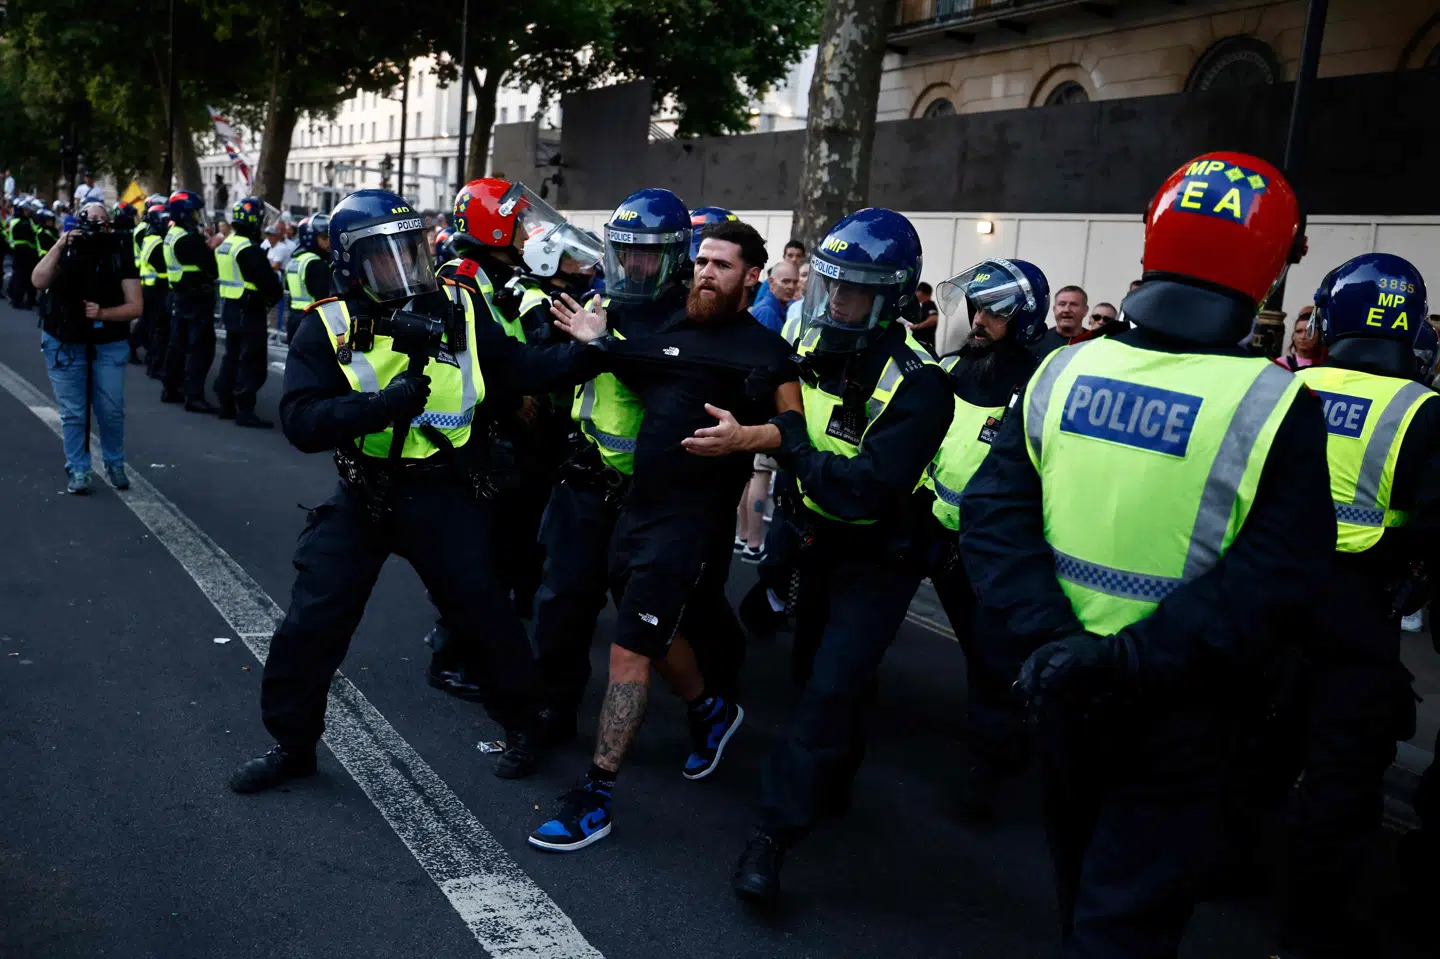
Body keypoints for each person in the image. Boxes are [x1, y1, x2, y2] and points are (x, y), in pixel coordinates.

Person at [959, 151, 1333, 957]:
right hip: (1182, 707)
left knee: (1078, 889)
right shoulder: (1275, 402)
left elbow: (991, 518)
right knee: (1124, 922)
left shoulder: (1062, 369)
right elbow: (1277, 577)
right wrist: (1124, 658)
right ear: (1271, 268)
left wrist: (1058, 641)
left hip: (1059, 683)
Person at [228, 188, 612, 794]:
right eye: (385, 256)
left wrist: (588, 353)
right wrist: (380, 407)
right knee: (311, 623)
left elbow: (514, 367)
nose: (404, 268)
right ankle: (292, 746)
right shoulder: (326, 323)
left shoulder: (459, 302)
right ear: (351, 263)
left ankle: (523, 727)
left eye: (410, 251)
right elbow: (301, 421)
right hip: (365, 494)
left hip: (443, 493)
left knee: (485, 618)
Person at [529, 216, 800, 854]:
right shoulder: (671, 330)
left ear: (752, 277)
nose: (706, 273)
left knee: (629, 651)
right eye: (702, 262)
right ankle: (710, 709)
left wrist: (745, 437)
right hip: (636, 513)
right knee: (651, 630)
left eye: (722, 265)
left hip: (688, 527)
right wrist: (596, 339)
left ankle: (596, 795)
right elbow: (630, 361)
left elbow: (796, 432)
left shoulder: (766, 351)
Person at [730, 209, 953, 901]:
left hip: (878, 555)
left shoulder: (920, 383)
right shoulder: (815, 344)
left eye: (854, 290)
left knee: (830, 686)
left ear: (891, 298)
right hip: (813, 541)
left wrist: (788, 440)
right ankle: (835, 780)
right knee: (815, 674)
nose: (838, 302)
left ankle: (772, 835)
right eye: (832, 286)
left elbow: (861, 488)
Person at [1282, 253, 1439, 957]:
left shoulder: (1289, 385)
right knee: (1343, 765)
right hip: (1361, 603)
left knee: (1256, 733)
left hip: (1273, 587)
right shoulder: (1425, 411)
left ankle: (1222, 862)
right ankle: (1312, 919)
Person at [420, 178, 606, 698]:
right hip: (479, 437)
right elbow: (492, 362)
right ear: (494, 229)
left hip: (507, 437)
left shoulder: (494, 277)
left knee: (506, 551)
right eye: (520, 222)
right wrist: (585, 356)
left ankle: (479, 644)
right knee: (479, 556)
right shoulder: (461, 281)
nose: (529, 232)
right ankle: (450, 657)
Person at [523, 187, 694, 748]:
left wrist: (603, 348)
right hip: (587, 481)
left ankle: (708, 708)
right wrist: (558, 345)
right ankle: (550, 716)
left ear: (673, 257)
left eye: (647, 254)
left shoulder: (688, 320)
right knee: (561, 606)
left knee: (656, 622)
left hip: (652, 496)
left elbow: (673, 391)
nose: (634, 265)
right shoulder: (600, 305)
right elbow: (553, 369)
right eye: (626, 251)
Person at [925, 258, 1047, 820]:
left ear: (1025, 318)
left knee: (993, 658)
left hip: (999, 547)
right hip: (935, 532)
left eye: (995, 311)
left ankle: (989, 768)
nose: (979, 319)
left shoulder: (1043, 382)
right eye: (976, 308)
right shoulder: (954, 368)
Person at [29, 202, 142, 493]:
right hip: (64, 340)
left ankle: (114, 462)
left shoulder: (118, 249)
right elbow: (38, 280)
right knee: (74, 412)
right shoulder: (66, 248)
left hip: (108, 341)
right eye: (90, 217)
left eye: (102, 218)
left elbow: (135, 306)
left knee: (110, 409)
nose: (96, 223)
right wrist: (60, 245)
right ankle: (78, 469)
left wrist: (103, 313)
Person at [211, 197, 284, 426]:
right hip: (250, 309)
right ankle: (244, 409)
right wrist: (271, 297)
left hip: (231, 307)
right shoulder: (248, 249)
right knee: (251, 360)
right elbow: (269, 283)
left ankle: (226, 404)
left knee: (231, 357)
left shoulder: (227, 244)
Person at [160, 190, 220, 411]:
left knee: (178, 345)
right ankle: (194, 396)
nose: (197, 217)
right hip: (196, 298)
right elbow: (211, 268)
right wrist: (211, 246)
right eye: (194, 212)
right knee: (200, 348)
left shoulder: (172, 234)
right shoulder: (188, 239)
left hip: (181, 296)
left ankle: (171, 388)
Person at [136, 197, 171, 380]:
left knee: (152, 325)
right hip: (157, 289)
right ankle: (154, 363)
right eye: (165, 220)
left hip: (150, 288)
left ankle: (152, 360)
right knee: (158, 328)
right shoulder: (157, 242)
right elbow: (162, 267)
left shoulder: (151, 238)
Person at [284, 214, 331, 343]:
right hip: (312, 321)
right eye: (324, 237)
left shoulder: (295, 260)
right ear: (311, 238)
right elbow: (325, 297)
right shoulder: (316, 264)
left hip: (294, 319)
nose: (328, 242)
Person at [1030, 284, 1088, 357]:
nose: (1067, 310)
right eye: (1062, 304)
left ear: (1085, 310)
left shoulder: (1095, 342)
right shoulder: (1036, 342)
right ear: (1054, 309)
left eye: (1074, 304)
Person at [9, 199, 42, 309]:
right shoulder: (17, 221)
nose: (28, 212)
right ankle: (17, 300)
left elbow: (35, 233)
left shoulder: (29, 221)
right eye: (26, 210)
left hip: (30, 253)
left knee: (29, 277)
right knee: (19, 277)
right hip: (20, 252)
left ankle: (30, 300)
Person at [749, 261, 799, 335]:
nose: (791, 287)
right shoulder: (766, 312)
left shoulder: (784, 307)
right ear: (771, 282)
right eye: (786, 281)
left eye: (795, 282)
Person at [1279, 304, 1322, 371]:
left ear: (1319, 336)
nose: (1302, 337)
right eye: (1298, 331)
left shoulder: (1328, 364)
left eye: (1309, 332)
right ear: (1293, 335)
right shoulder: (1282, 363)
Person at [908, 280, 941, 354]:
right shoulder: (923, 306)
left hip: (925, 345)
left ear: (921, 292)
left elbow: (933, 319)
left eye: (917, 291)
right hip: (919, 345)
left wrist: (916, 326)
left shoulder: (930, 305)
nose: (915, 293)